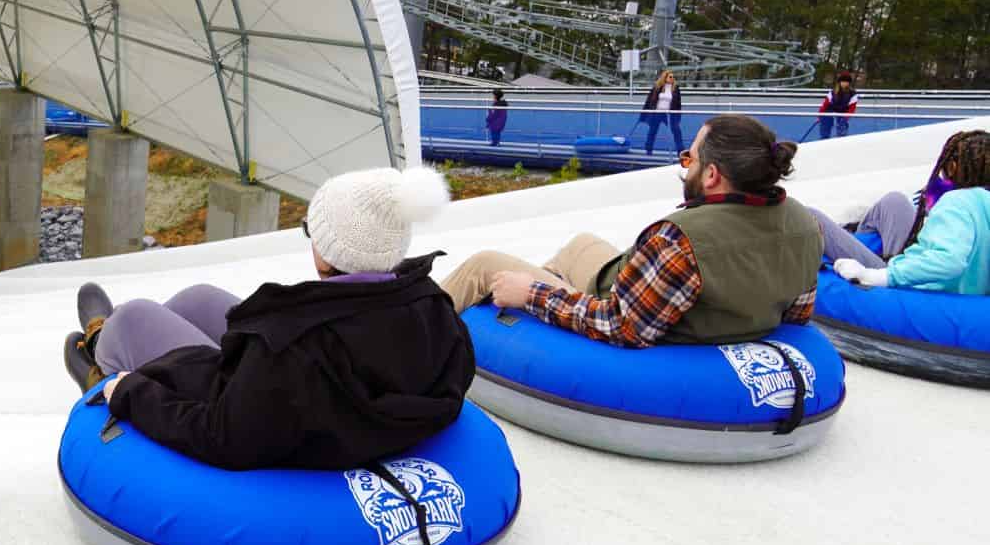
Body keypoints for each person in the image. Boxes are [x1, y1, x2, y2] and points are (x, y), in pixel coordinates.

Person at [63, 167, 474, 471]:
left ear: (328, 251)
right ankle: (113, 337)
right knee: (198, 299)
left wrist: (132, 393)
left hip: (254, 402)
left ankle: (103, 361)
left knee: (134, 317)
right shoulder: (436, 310)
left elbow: (225, 438)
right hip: (310, 389)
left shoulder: (294, 349)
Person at [439, 114, 820, 347]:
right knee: (581, 244)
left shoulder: (680, 240)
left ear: (712, 174)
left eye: (690, 159)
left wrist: (533, 294)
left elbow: (621, 326)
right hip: (675, 303)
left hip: (636, 320)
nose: (685, 167)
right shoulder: (805, 224)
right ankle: (539, 305)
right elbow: (797, 317)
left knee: (484, 263)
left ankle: (406, 335)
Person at [832, 131, 990, 295]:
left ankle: (855, 243)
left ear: (952, 167)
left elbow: (950, 260)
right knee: (894, 202)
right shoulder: (982, 203)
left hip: (910, 285)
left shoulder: (957, 201)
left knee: (816, 218)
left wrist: (876, 276)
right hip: (952, 290)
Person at [637, 69, 684, 156]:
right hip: (657, 113)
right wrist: (643, 113)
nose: (672, 79)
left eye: (673, 77)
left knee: (676, 130)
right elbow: (649, 100)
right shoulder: (657, 87)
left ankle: (681, 151)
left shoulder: (675, 88)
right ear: (665, 77)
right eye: (670, 77)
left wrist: (678, 115)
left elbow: (678, 103)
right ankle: (648, 150)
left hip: (669, 114)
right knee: (653, 131)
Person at [818, 70, 858, 139]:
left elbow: (852, 108)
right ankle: (824, 139)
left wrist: (846, 118)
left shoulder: (853, 94)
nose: (844, 83)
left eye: (846, 82)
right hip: (831, 110)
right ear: (839, 82)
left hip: (843, 112)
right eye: (842, 81)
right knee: (825, 123)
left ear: (849, 83)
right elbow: (825, 104)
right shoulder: (833, 92)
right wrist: (820, 115)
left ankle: (841, 140)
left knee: (842, 125)